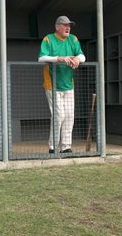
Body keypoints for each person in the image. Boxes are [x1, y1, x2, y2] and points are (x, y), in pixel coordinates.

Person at [38, 16, 86, 154]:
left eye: (69, 25)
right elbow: (41, 58)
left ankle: (66, 147)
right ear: (57, 26)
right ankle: (52, 147)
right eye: (64, 25)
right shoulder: (49, 39)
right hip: (52, 84)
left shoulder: (73, 39)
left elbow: (83, 56)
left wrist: (77, 58)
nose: (68, 28)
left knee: (69, 115)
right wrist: (58, 59)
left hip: (68, 84)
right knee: (58, 115)